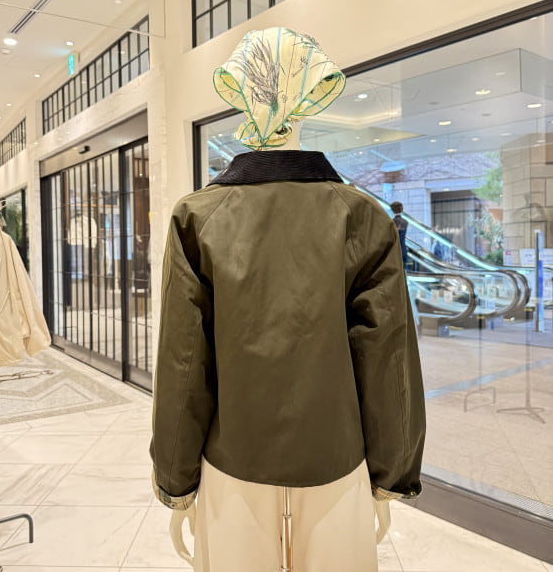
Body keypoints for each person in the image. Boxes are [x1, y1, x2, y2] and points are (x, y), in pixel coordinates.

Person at [150, 28, 425, 572]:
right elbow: (388, 358)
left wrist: (176, 481)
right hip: (337, 464)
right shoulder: (361, 214)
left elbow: (183, 364)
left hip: (231, 467)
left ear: (239, 92)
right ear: (313, 93)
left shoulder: (197, 217)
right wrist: (390, 475)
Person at [390, 201, 409, 267]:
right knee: (403, 270)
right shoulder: (405, 222)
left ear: (392, 210)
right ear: (402, 209)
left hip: (394, 252)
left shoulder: (390, 222)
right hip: (403, 250)